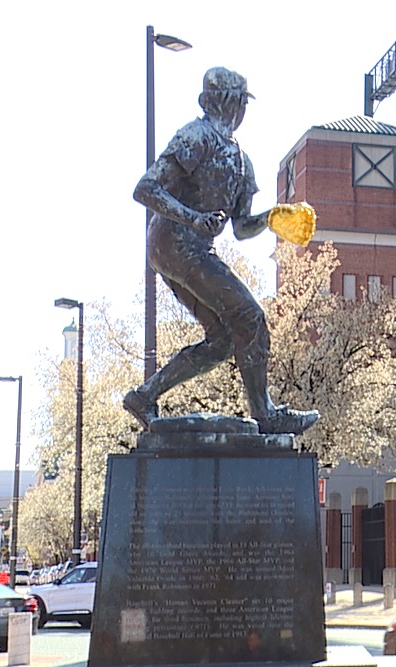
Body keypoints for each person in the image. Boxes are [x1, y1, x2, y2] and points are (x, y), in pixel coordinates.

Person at [125, 67, 318, 436]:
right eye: (234, 100)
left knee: (224, 341)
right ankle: (265, 414)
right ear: (216, 100)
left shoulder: (242, 161)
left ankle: (144, 396)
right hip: (174, 242)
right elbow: (145, 189)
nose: (237, 108)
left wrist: (273, 218)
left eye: (240, 101)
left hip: (189, 249)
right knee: (250, 318)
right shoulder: (195, 136)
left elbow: (241, 228)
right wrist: (194, 218)